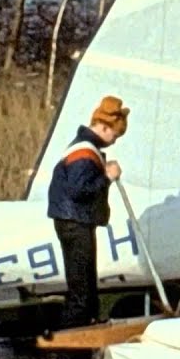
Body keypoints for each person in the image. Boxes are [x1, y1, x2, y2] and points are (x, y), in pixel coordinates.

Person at [47, 96, 128, 331]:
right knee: (81, 293)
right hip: (75, 223)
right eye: (114, 135)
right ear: (103, 127)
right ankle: (69, 351)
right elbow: (78, 190)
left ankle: (83, 336)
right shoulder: (84, 153)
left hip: (74, 221)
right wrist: (107, 177)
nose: (114, 141)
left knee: (85, 289)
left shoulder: (85, 148)